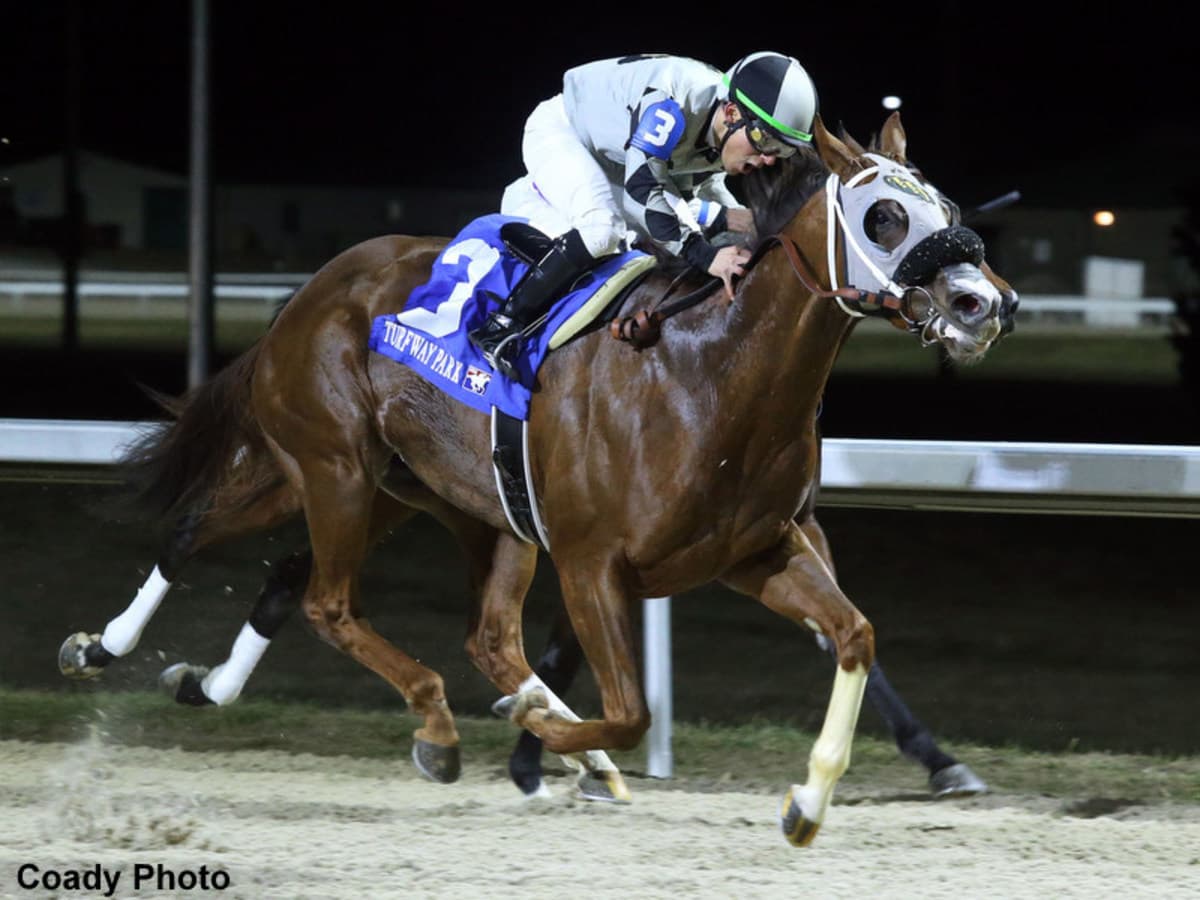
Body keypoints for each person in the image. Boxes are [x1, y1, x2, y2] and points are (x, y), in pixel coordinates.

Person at [468, 51, 819, 377]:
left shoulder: (720, 131)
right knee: (603, 230)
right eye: (765, 141)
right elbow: (643, 188)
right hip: (566, 134)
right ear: (731, 114)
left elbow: (684, 201)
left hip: (616, 163)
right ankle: (500, 327)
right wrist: (706, 255)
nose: (768, 159)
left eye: (782, 150)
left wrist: (736, 226)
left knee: (690, 230)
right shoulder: (673, 104)